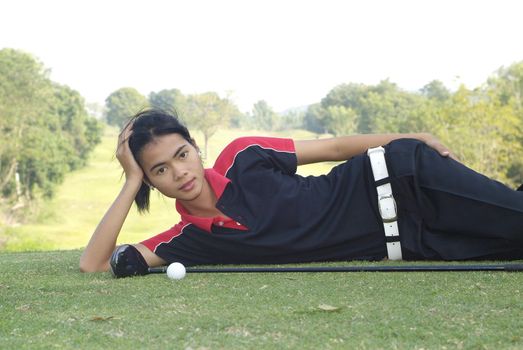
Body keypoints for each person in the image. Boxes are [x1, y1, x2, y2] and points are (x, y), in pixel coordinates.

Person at [79, 108, 523, 277]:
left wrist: (413, 136)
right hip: (415, 244)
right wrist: (130, 180)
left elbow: (331, 148)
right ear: (152, 182)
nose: (179, 171)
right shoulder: (188, 241)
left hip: (405, 179)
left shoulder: (242, 156)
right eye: (159, 170)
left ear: (196, 147)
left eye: (181, 154)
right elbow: (94, 263)